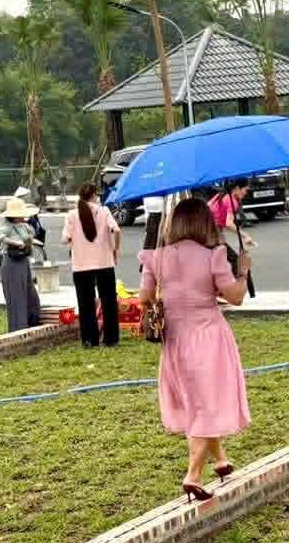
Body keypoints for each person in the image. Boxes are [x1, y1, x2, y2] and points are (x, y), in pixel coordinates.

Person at [139, 197, 251, 503]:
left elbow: (145, 297)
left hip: (174, 340)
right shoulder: (213, 255)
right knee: (207, 404)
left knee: (197, 401)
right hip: (208, 338)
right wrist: (243, 272)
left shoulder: (157, 256)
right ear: (205, 223)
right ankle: (193, 475)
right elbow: (236, 296)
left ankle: (221, 459)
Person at [62, 183, 121, 348]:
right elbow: (117, 230)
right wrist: (115, 249)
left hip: (81, 265)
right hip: (104, 262)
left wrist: (75, 240)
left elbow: (65, 239)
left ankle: (89, 339)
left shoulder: (72, 215)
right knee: (109, 301)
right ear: (94, 195)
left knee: (85, 302)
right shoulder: (104, 211)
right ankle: (111, 338)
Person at [0, 197, 42, 332]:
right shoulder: (7, 227)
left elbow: (32, 233)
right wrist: (14, 242)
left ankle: (32, 326)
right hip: (12, 264)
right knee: (16, 299)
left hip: (24, 262)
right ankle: (19, 330)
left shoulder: (24, 225)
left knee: (31, 297)